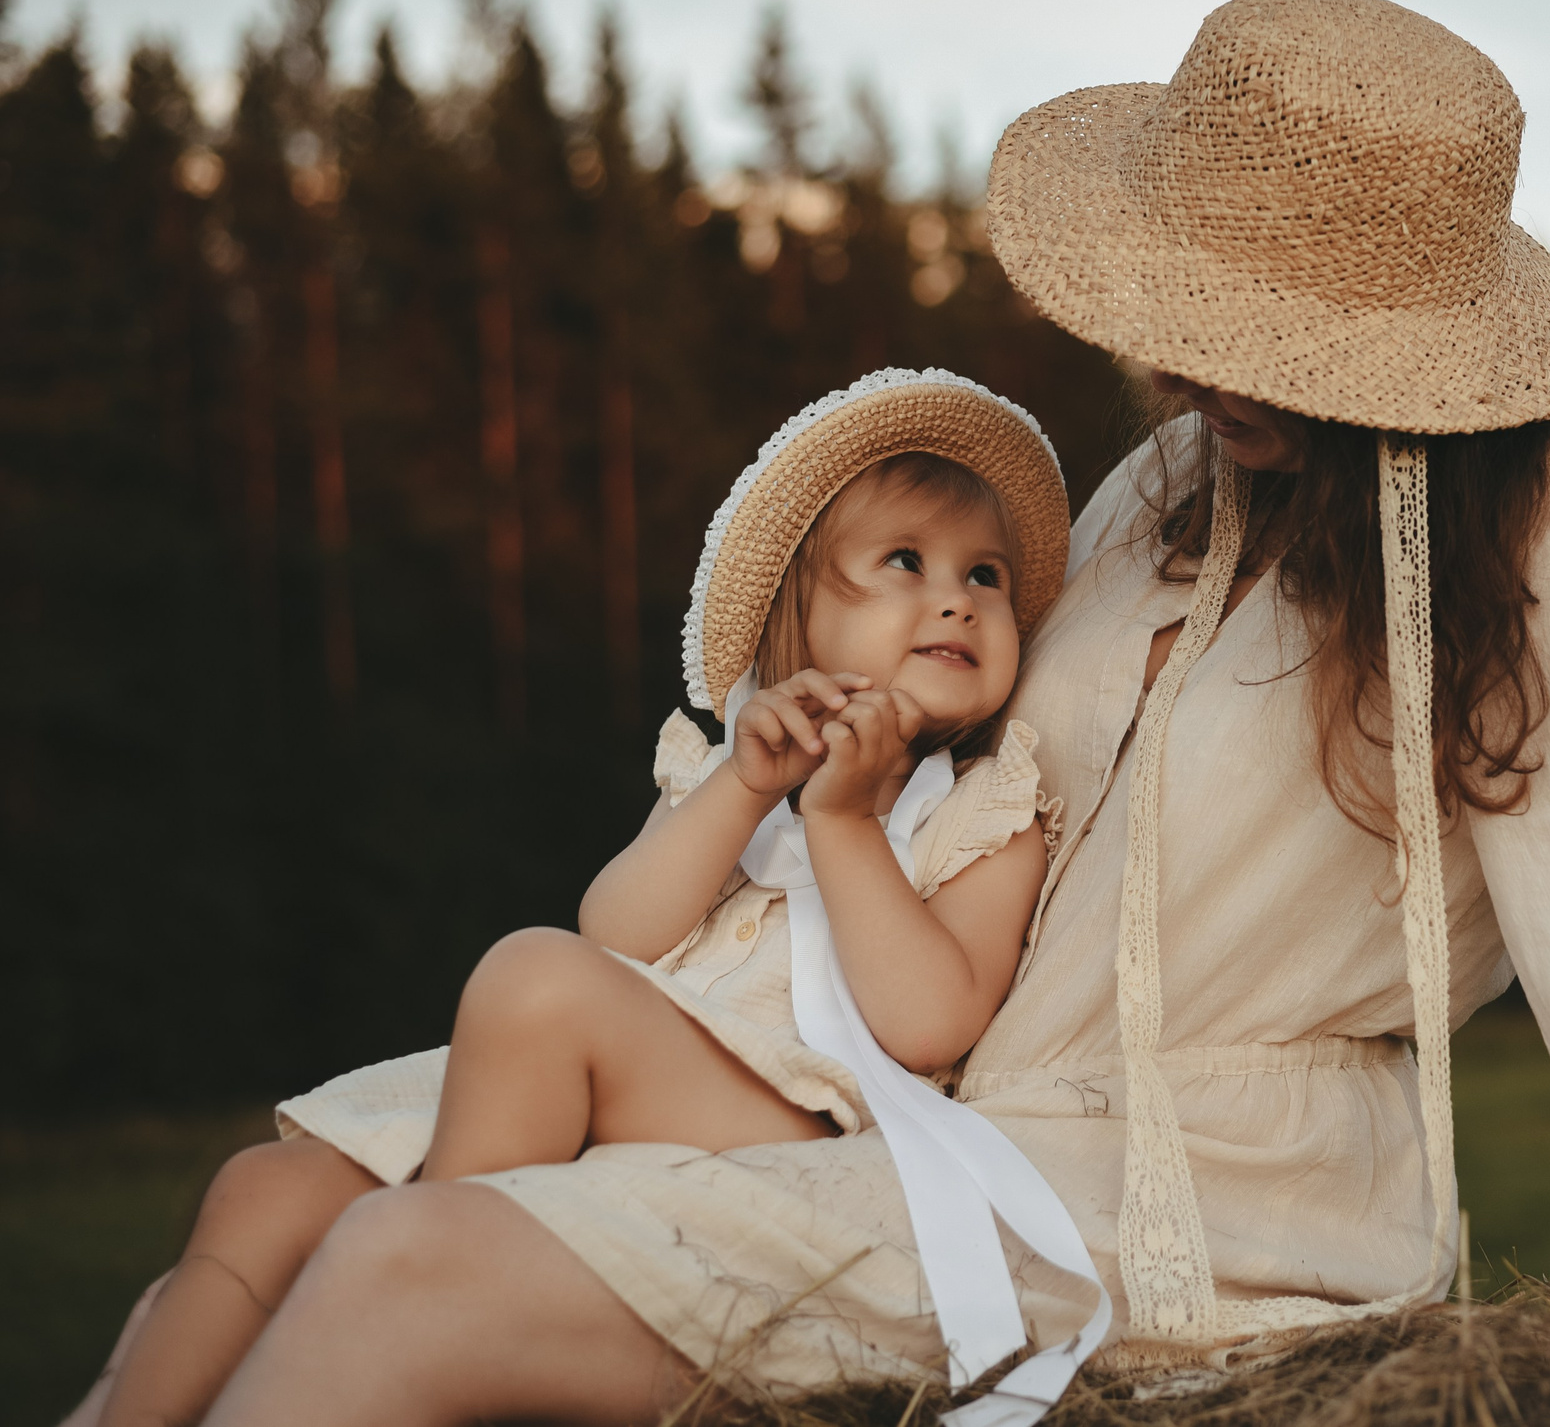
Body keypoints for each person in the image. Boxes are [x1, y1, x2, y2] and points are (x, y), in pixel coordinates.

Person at [79, 0, 1550, 1427]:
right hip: (889, 1088)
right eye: (1190, 313)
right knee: (271, 1187)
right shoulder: (1160, 485)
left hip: (1188, 1201)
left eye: (1264, 334)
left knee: (412, 1268)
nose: (1196, 372)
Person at [75, 369, 1084, 1427]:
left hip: (801, 1109)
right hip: (630, 1066)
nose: (958, 596)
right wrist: (746, 790)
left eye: (988, 575)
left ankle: (420, 1311)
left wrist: (843, 824)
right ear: (801, 613)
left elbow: (929, 1026)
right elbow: (622, 928)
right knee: (261, 1190)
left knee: (536, 978)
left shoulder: (981, 807)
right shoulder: (735, 772)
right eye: (905, 563)